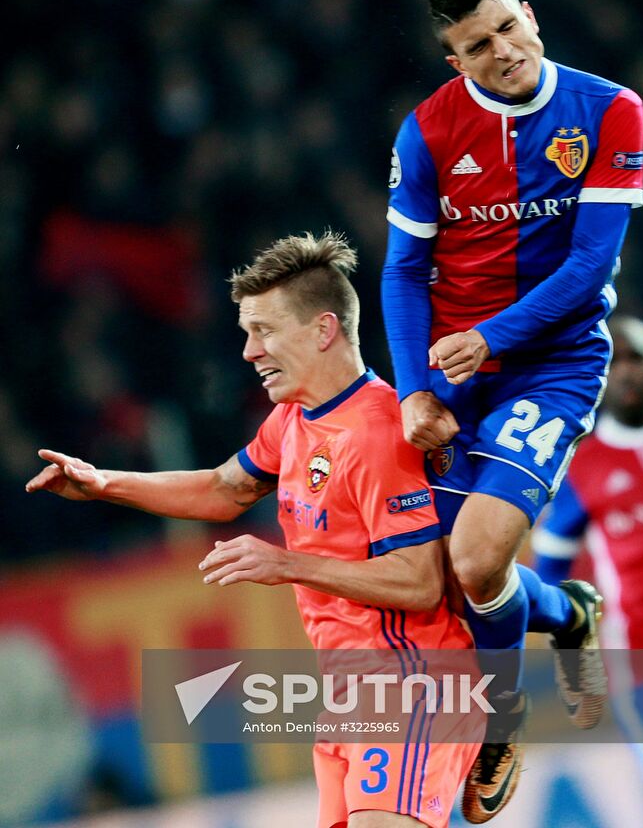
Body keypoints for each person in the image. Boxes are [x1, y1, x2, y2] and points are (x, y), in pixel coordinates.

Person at [27, 231, 486, 828]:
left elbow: (420, 583)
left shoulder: (377, 430)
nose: (249, 351)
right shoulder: (295, 418)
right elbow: (226, 489)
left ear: (323, 330)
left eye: (264, 331)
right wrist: (105, 484)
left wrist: (287, 563)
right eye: (248, 332)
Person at [381, 0, 643, 798]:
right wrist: (413, 391)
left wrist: (490, 337)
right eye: (475, 45)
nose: (502, 51)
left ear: (528, 14)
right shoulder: (425, 133)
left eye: (506, 28)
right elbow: (401, 270)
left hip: (554, 363)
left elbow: (590, 263)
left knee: (475, 556)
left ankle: (498, 728)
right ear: (453, 62)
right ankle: (567, 614)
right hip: (453, 374)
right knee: (453, 584)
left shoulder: (609, 110)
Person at [532, 316, 643, 828]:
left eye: (637, 358)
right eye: (615, 362)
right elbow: (549, 576)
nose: (627, 372)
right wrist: (576, 662)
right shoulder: (580, 469)